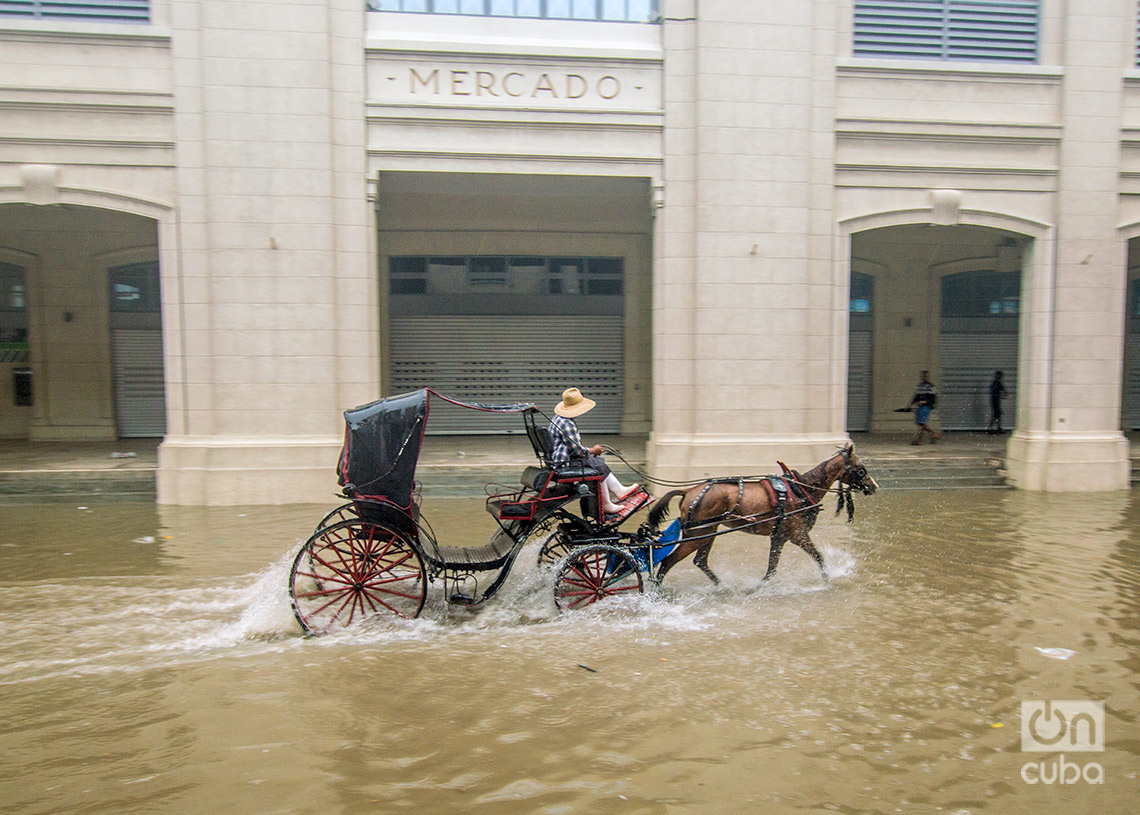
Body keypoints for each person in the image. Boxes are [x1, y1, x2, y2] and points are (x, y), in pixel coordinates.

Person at [548, 387, 638, 513]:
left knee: (598, 462)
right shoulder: (567, 424)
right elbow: (578, 450)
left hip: (563, 457)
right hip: (564, 462)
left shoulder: (557, 418)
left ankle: (618, 490)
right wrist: (593, 450)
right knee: (597, 467)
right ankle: (606, 504)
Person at [909, 370, 942, 445]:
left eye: (925, 376)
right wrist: (911, 404)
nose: (923, 377)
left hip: (925, 407)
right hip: (919, 407)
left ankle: (919, 440)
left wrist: (925, 402)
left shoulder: (931, 387)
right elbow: (916, 396)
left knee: (921, 423)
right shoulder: (919, 386)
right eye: (922, 376)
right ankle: (934, 434)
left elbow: (932, 398)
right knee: (921, 424)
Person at [987, 370, 1007, 435]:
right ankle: (993, 428)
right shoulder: (997, 383)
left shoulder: (995, 383)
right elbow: (1004, 390)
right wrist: (1003, 396)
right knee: (996, 415)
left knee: (997, 415)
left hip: (994, 400)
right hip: (995, 401)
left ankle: (995, 428)